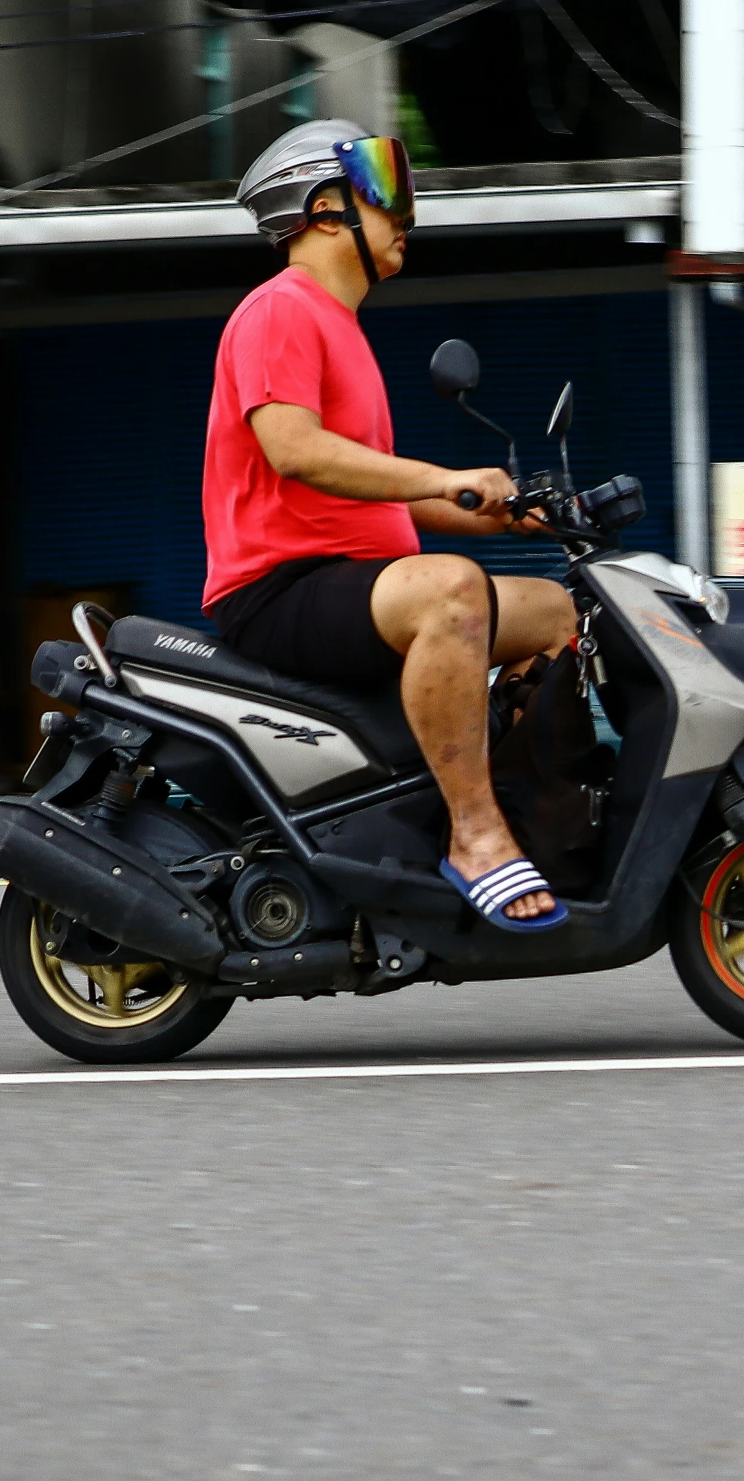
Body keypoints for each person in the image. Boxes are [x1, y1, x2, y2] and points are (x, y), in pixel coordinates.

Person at [200, 120, 575, 931]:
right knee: (450, 593)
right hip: (279, 588)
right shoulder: (280, 310)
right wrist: (448, 477)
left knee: (556, 611)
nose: (407, 213)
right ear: (326, 207)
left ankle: (513, 808)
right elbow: (294, 451)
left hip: (350, 584)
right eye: (387, 190)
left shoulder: (342, 328)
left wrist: (513, 515)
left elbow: (385, 497)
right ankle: (475, 836)